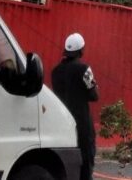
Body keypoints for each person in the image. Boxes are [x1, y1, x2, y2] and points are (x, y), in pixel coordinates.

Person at [52, 33, 99, 180]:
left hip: (63, 123)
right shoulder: (84, 69)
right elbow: (94, 96)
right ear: (81, 51)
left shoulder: (55, 72)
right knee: (86, 162)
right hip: (82, 125)